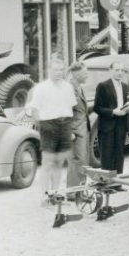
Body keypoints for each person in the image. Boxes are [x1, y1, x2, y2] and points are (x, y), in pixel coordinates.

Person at [25, 59, 78, 205]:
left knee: (59, 162)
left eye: (61, 70)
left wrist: (69, 128)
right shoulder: (41, 88)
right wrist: (43, 126)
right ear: (49, 70)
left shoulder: (68, 87)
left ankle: (54, 195)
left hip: (65, 124)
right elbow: (34, 111)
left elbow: (71, 108)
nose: (59, 73)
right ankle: (44, 196)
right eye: (56, 70)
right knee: (48, 162)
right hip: (48, 125)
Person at [93, 62, 129, 173]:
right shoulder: (103, 86)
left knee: (119, 154)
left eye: (121, 70)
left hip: (121, 124)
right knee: (107, 155)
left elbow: (123, 103)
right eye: (117, 70)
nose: (119, 73)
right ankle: (108, 185)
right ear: (110, 70)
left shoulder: (124, 86)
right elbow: (97, 108)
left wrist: (127, 109)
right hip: (107, 126)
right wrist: (113, 112)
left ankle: (118, 182)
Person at [67, 62, 91, 193]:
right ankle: (73, 192)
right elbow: (64, 111)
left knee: (82, 161)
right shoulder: (69, 88)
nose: (87, 75)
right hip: (75, 131)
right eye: (85, 73)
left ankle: (79, 190)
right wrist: (69, 131)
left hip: (82, 130)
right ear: (76, 74)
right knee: (77, 161)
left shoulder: (78, 87)